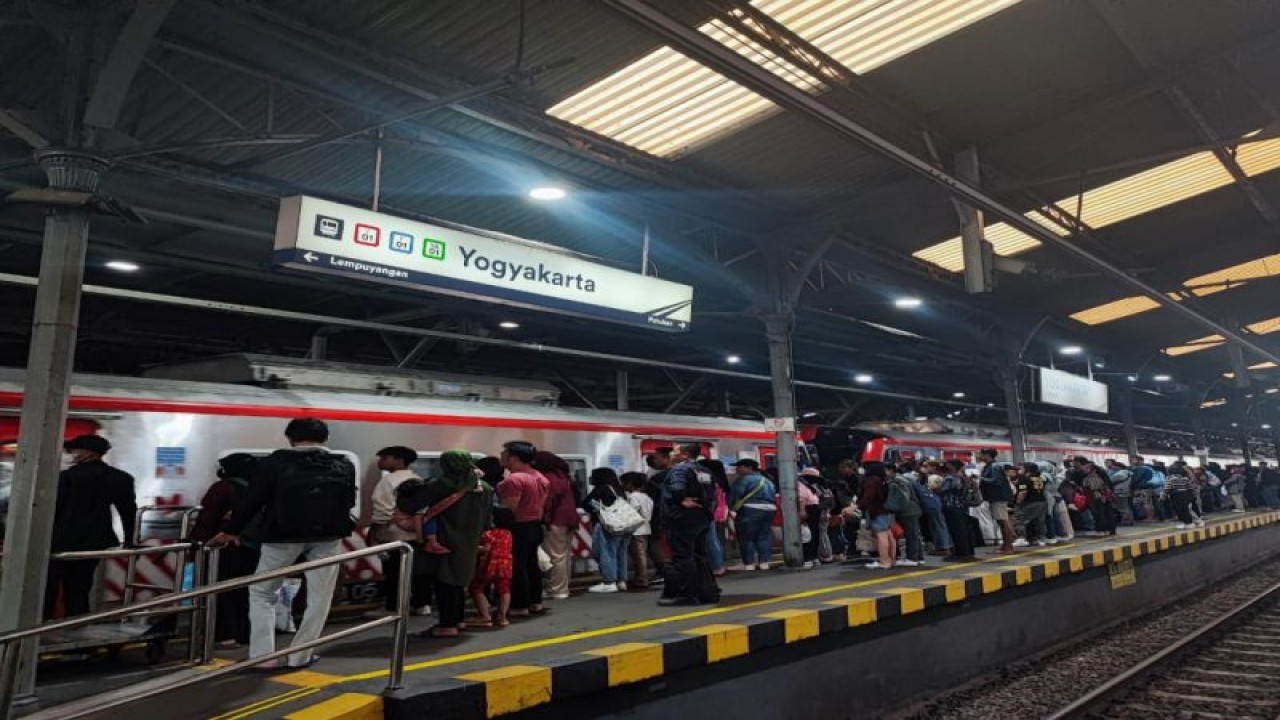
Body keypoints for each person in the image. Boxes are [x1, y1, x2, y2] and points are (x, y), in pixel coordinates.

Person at [211, 418, 356, 669]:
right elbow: (349, 501)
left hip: (281, 537)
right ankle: (301, 655)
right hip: (327, 538)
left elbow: (252, 501)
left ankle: (263, 657)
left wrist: (230, 531)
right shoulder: (343, 464)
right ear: (326, 438)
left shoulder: (272, 463)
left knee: (262, 592)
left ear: (290, 438)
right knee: (320, 598)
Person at [46, 434, 138, 620]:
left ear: (88, 452)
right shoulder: (121, 478)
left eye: (73, 450)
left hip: (59, 542)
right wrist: (130, 540)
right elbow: (128, 512)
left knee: (48, 590)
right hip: (94, 542)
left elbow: (53, 510)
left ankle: (39, 634)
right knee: (80, 589)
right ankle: (76, 632)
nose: (69, 454)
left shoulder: (66, 478)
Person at [415, 450, 493, 637]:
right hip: (470, 540)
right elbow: (487, 519)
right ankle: (459, 620)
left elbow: (416, 504)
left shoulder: (442, 485)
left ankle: (448, 625)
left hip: (444, 539)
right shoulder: (485, 488)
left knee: (445, 581)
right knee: (459, 580)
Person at [190, 453, 262, 647]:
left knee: (222, 591)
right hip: (253, 547)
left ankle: (225, 635)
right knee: (247, 591)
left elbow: (207, 518)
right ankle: (246, 633)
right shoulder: (258, 488)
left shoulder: (223, 488)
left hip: (225, 547)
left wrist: (196, 542)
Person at [366, 446, 431, 618]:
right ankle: (421, 604)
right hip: (415, 533)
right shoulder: (416, 478)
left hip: (393, 534)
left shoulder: (388, 481)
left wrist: (373, 534)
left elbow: (383, 511)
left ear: (399, 460)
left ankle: (393, 607)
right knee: (416, 572)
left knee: (393, 573)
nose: (380, 461)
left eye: (385, 457)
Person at [658, 443, 717, 606]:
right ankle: (706, 592)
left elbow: (677, 488)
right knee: (699, 556)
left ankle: (687, 595)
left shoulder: (679, 470)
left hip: (681, 519)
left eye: (674, 451)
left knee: (683, 557)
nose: (671, 454)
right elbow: (712, 495)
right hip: (701, 518)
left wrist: (681, 499)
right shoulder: (704, 470)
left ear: (683, 454)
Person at [496, 441, 549, 617]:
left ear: (513, 458)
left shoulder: (514, 479)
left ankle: (520, 605)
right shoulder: (539, 477)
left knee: (518, 567)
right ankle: (535, 602)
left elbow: (510, 509)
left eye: (504, 453)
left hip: (518, 526)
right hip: (534, 524)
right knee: (531, 565)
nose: (501, 456)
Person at [534, 451, 579, 601]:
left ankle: (557, 590)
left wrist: (542, 518)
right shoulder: (564, 476)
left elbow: (548, 502)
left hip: (556, 520)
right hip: (569, 519)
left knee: (555, 556)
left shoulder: (548, 478)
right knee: (564, 556)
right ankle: (563, 586)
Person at [583, 467, 632, 593]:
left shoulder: (601, 488)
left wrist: (599, 509)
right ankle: (621, 581)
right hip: (625, 524)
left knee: (606, 552)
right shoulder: (619, 489)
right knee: (621, 552)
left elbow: (585, 503)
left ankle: (609, 582)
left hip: (607, 524)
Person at [728, 458, 776, 571]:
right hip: (769, 510)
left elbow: (735, 495)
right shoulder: (767, 480)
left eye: (740, 467)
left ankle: (749, 564)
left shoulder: (743, 480)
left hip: (750, 510)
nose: (737, 470)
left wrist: (731, 508)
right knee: (763, 537)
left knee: (746, 538)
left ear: (749, 468)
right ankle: (764, 563)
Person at [467, 524, 513, 628]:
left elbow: (486, 548)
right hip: (505, 565)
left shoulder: (487, 534)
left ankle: (485, 616)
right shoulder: (508, 533)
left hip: (490, 565)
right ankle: (502, 617)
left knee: (475, 588)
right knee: (504, 590)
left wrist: (472, 548)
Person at [857, 462, 895, 569]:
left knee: (881, 536)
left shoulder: (872, 480)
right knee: (889, 535)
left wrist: (856, 506)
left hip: (877, 511)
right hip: (888, 510)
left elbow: (868, 496)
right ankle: (891, 560)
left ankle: (884, 561)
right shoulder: (883, 479)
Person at [976, 448, 1015, 553]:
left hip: (998, 497)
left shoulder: (994, 466)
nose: (978, 455)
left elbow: (995, 481)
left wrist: (980, 478)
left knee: (1002, 521)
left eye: (980, 454)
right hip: (995, 497)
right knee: (1002, 521)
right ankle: (1006, 545)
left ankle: (1008, 547)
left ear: (987, 455)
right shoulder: (990, 466)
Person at [643, 448, 673, 582]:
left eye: (656, 457)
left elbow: (650, 500)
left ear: (666, 458)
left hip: (659, 515)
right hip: (675, 515)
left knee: (653, 542)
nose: (653, 460)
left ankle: (664, 571)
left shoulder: (655, 479)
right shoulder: (679, 474)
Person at [697, 459, 731, 576]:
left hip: (713, 513)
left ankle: (717, 566)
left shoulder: (710, 481)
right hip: (721, 512)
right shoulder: (721, 481)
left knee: (711, 540)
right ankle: (720, 563)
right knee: (718, 540)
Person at [938, 460, 976, 562]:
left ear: (953, 466)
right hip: (962, 506)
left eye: (948, 464)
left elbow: (942, 490)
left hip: (952, 506)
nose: (946, 466)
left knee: (956, 531)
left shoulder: (951, 478)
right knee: (964, 530)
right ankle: (968, 552)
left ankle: (961, 553)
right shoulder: (965, 478)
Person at [622, 472, 654, 589]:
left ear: (630, 484)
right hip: (645, 528)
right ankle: (641, 577)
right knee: (642, 554)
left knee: (638, 556)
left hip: (636, 530)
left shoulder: (632, 497)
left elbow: (631, 512)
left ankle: (642, 579)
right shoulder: (647, 497)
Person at [887, 466, 924, 566]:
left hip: (908, 511)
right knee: (914, 533)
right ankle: (919, 557)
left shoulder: (898, 481)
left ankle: (912, 558)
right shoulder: (904, 479)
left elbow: (903, 497)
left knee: (911, 534)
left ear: (891, 470)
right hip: (913, 509)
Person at [1013, 463, 1049, 547]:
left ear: (1027, 470)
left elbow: (1023, 492)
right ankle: (1039, 538)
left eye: (1022, 468)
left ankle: (1021, 538)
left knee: (1020, 519)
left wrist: (1018, 503)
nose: (1020, 470)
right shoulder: (1040, 479)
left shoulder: (1024, 479)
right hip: (1042, 501)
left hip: (1030, 503)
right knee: (1038, 521)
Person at [920, 474, 953, 557]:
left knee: (938, 526)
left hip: (935, 506)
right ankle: (946, 546)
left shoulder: (933, 481)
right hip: (939, 505)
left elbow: (934, 487)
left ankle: (944, 547)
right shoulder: (940, 479)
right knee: (940, 526)